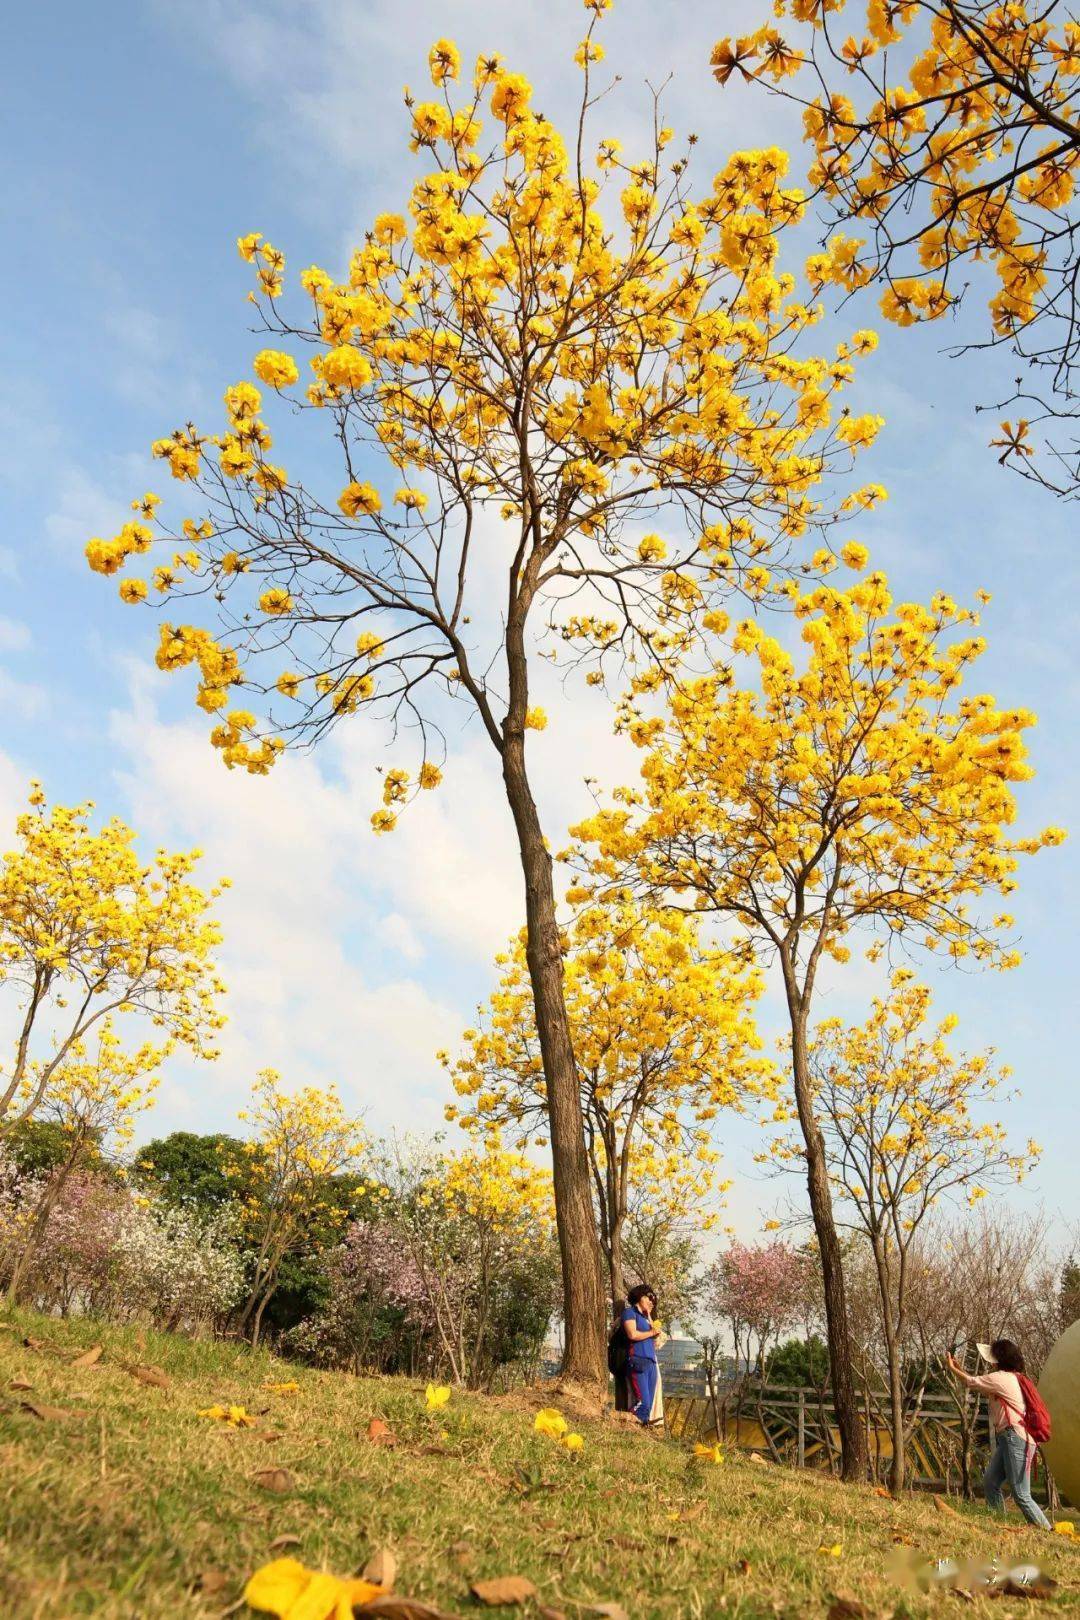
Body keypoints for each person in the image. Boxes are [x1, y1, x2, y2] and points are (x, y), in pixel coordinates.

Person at [946, 1340, 1051, 1530]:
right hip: (1010, 1438)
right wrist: (961, 1369)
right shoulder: (1012, 1378)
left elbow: (971, 1382)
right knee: (991, 1482)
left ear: (998, 1360)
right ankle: (998, 1524)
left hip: (1015, 1437)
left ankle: (1048, 1531)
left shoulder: (1001, 1378)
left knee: (1021, 1493)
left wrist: (952, 1368)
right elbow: (979, 1382)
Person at [620, 1284, 665, 1427]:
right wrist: (651, 1332)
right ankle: (625, 1424)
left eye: (653, 1299)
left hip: (651, 1363)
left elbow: (655, 1333)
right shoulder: (630, 1313)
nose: (651, 1301)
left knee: (649, 1405)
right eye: (648, 1297)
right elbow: (632, 1334)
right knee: (643, 1402)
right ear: (640, 1296)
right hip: (638, 1361)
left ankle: (640, 1428)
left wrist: (649, 1315)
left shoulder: (646, 1317)